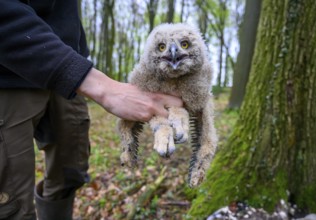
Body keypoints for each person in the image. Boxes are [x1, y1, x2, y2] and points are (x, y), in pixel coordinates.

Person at [0, 1, 182, 220]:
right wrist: (99, 85)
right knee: (10, 203)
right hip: (8, 76)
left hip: (66, 72)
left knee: (70, 172)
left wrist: (78, 57)